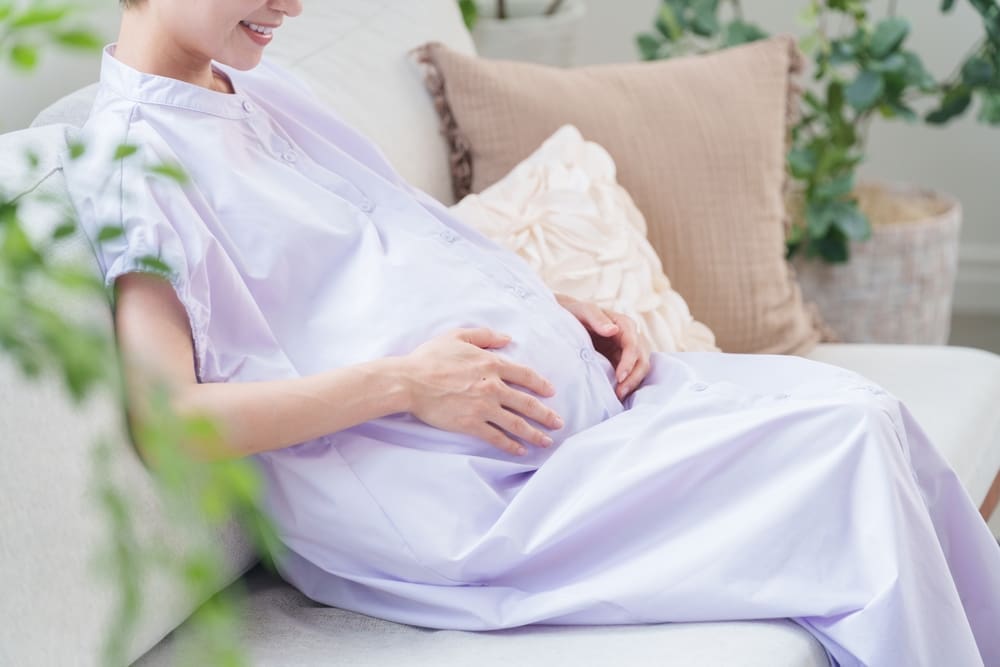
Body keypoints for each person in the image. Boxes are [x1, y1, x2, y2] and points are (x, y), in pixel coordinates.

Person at [63, 1, 1000, 665]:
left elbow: (394, 245)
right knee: (851, 456)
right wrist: (409, 384)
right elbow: (169, 421)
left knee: (877, 417)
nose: (291, 2)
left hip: (547, 430)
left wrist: (553, 306)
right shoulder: (132, 161)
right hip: (457, 495)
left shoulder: (251, 87)